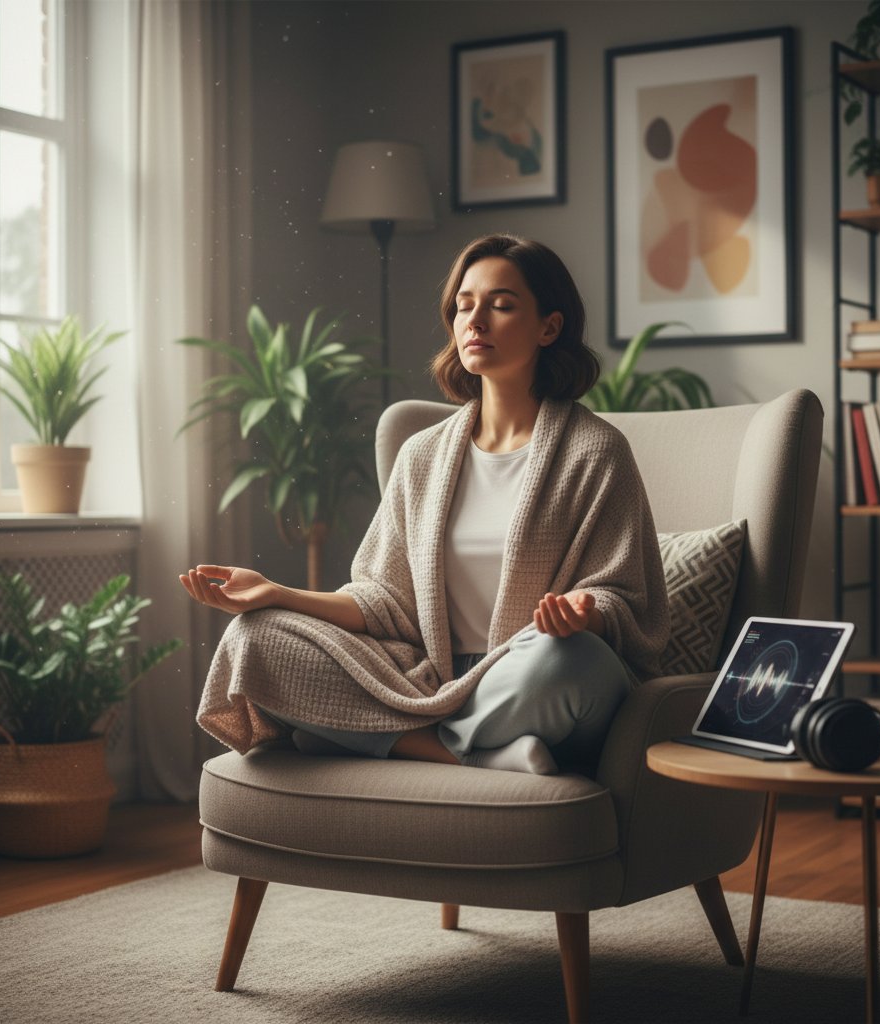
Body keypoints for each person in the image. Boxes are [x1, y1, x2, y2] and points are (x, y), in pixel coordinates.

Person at [182, 234, 669, 775]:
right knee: (255, 639)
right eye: (464, 306)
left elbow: (628, 601)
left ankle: (372, 737)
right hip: (425, 675)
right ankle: (478, 753)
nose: (475, 321)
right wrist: (278, 593)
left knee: (573, 663)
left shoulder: (596, 452)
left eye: (501, 305)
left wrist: (586, 613)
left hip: (530, 671)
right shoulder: (422, 455)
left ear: (549, 328)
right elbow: (382, 600)